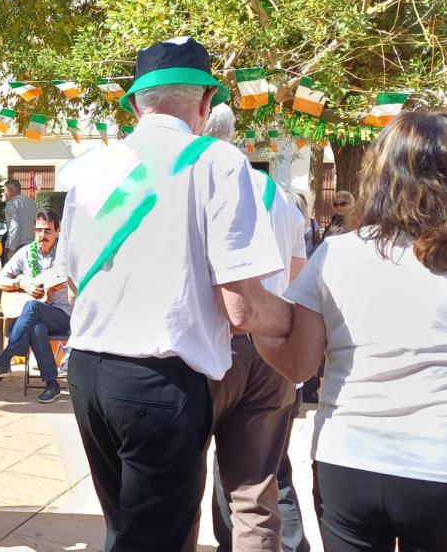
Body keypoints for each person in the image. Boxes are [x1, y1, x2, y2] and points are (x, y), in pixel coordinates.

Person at [58, 37, 291, 551]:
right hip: (157, 381)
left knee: (126, 530)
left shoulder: (92, 168)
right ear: (205, 103)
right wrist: (300, 323)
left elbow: (71, 280)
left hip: (88, 371)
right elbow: (244, 305)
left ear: (137, 102)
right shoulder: (216, 161)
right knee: (153, 540)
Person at [255, 111, 447, 552]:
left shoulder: (337, 255)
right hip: (441, 463)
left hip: (351, 459)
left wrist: (255, 323)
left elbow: (298, 364)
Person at [203, 104, 309, 552]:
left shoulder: (198, 184)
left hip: (213, 346)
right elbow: (298, 276)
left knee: (181, 479)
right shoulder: (278, 195)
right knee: (259, 482)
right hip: (272, 351)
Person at [0, 210, 70, 404]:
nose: (42, 235)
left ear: (58, 232)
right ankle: (52, 385)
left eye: (48, 231)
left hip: (63, 314)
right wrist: (21, 284)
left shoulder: (66, 255)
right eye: (38, 230)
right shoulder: (26, 252)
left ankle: (5, 358)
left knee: (33, 306)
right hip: (38, 316)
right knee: (37, 327)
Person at [1, 178, 36, 265]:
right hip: (31, 243)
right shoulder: (32, 202)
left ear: (10, 191)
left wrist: (12, 249)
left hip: (17, 245)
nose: (4, 193)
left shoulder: (11, 204)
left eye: (4, 190)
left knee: (11, 275)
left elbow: (14, 226)